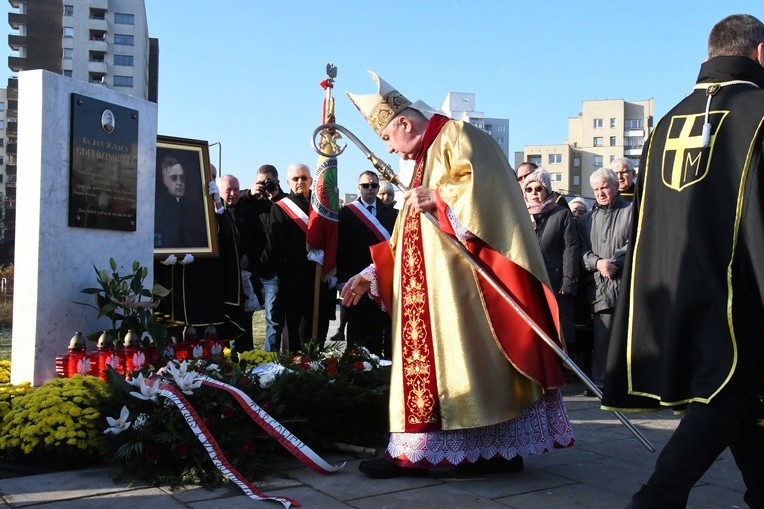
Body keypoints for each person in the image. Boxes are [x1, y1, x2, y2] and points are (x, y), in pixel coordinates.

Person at [341, 71, 573, 478]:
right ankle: (429, 451)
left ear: (404, 123)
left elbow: (494, 196)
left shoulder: (459, 137)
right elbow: (406, 237)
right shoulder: (419, 161)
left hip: (464, 294)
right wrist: (369, 274)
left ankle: (495, 451)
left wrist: (442, 198)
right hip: (429, 292)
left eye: (388, 138)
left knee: (471, 367)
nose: (390, 147)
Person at [602, 14, 764, 508]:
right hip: (742, 284)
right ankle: (657, 497)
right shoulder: (760, 112)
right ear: (760, 54)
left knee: (738, 393)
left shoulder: (668, 120)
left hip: (675, 283)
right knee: (732, 391)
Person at [576, 167, 631, 393]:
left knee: (629, 339)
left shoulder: (632, 211)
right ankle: (601, 383)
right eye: (596, 189)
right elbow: (579, 249)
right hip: (599, 288)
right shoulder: (586, 220)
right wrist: (598, 263)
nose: (600, 192)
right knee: (603, 338)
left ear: (616, 186)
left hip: (627, 284)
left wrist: (615, 262)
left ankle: (629, 383)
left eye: (604, 187)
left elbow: (637, 241)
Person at [269, 163, 335, 349]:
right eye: (296, 179)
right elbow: (280, 243)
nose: (300, 182)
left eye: (304, 178)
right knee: (295, 334)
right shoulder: (280, 208)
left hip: (320, 279)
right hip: (295, 281)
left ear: (311, 180)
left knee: (318, 331)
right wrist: (306, 256)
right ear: (288, 182)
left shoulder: (321, 205)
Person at [336, 170, 397, 358]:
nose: (370, 189)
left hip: (382, 278)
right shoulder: (346, 213)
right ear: (358, 188)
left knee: (379, 327)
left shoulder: (393, 214)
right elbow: (341, 247)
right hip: (356, 278)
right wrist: (342, 279)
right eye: (365, 185)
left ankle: (381, 369)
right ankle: (355, 366)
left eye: (374, 185)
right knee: (356, 327)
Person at [522, 168, 579, 350]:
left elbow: (571, 248)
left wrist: (568, 282)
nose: (534, 193)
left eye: (539, 188)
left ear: (547, 190)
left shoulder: (561, 214)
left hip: (556, 281)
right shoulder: (521, 214)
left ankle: (566, 369)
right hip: (530, 281)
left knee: (560, 327)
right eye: (529, 189)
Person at [239, 165, 287, 352]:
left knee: (273, 318)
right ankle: (245, 356)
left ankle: (270, 358)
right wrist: (251, 192)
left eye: (269, 182)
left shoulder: (283, 202)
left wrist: (275, 195)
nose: (265, 186)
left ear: (277, 182)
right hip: (251, 267)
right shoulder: (250, 201)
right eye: (261, 182)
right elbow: (232, 198)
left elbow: (291, 206)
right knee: (245, 316)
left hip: (273, 269)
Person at [154, 156, 207, 249]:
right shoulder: (157, 208)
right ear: (165, 181)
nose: (179, 182)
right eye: (174, 178)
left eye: (182, 177)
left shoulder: (193, 207)